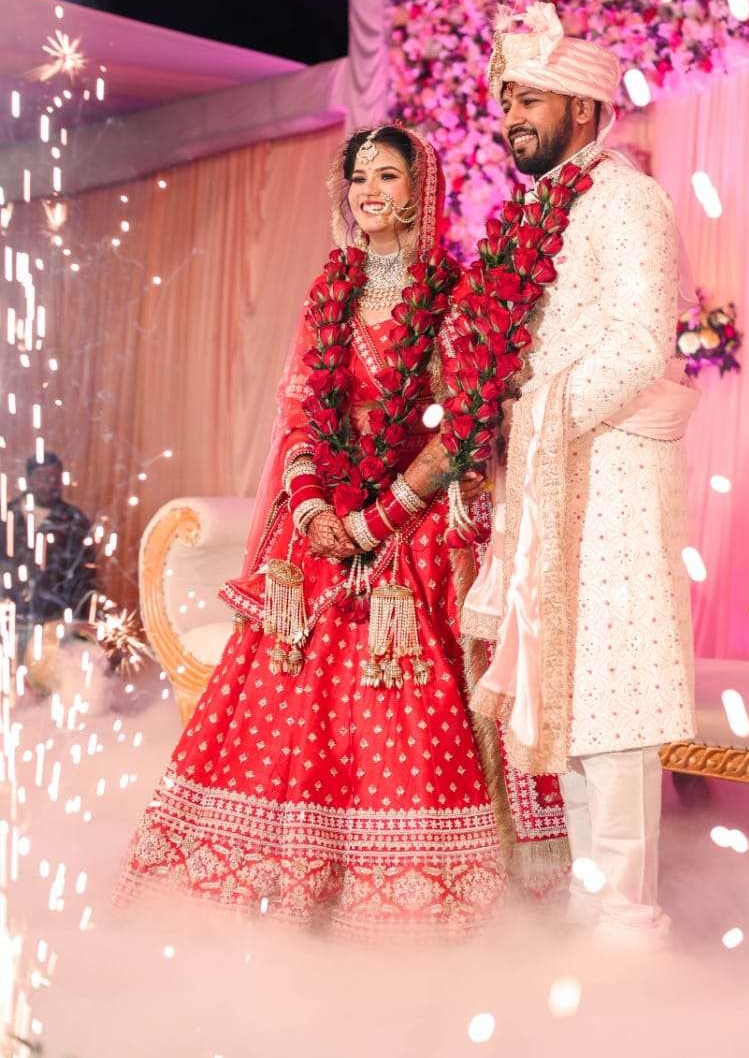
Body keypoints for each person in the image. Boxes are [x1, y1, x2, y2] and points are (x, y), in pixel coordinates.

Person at [117, 124, 505, 938]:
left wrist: (378, 518)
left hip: (412, 526)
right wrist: (311, 509)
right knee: (284, 684)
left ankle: (393, 893)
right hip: (321, 525)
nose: (369, 191)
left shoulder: (453, 296)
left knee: (392, 691)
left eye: (387, 175)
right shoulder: (327, 295)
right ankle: (280, 878)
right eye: (359, 176)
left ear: (419, 191)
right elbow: (299, 413)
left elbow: (463, 430)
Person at [464, 2, 699, 946]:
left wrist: (537, 419)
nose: (512, 116)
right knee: (560, 683)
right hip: (554, 471)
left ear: (583, 106)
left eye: (530, 99)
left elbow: (641, 344)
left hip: (614, 470)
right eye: (507, 100)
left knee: (617, 690)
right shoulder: (540, 211)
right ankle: (591, 907)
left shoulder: (627, 199)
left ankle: (629, 920)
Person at [1, 452, 96, 632]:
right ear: (29, 479)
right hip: (8, 616)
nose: (50, 484)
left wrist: (78, 621)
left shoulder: (74, 520)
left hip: (54, 620)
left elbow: (85, 576)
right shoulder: (7, 515)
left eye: (55, 479)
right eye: (43, 478)